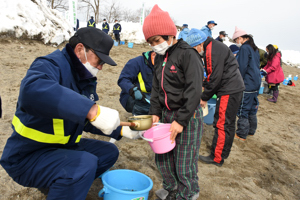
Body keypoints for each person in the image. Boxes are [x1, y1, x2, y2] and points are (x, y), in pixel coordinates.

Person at [0, 27, 140, 200]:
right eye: (99, 60)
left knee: (108, 152)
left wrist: (119, 130)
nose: (101, 67)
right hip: (27, 156)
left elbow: (83, 117)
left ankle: (61, 185)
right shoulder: (50, 64)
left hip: (61, 147)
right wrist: (90, 109)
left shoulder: (83, 77)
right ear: (80, 49)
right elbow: (32, 90)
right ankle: (65, 184)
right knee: (84, 165)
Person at [143, 5, 203, 200]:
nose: (154, 45)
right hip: (166, 115)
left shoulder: (188, 54)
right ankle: (171, 187)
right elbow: (156, 89)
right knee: (163, 156)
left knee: (184, 161)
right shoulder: (159, 58)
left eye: (157, 40)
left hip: (187, 115)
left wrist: (181, 120)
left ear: (170, 35)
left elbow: (194, 91)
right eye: (151, 42)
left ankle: (188, 194)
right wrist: (155, 112)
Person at [186, 29, 245, 167]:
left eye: (195, 49)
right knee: (228, 123)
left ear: (199, 44)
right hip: (234, 87)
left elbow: (215, 77)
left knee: (222, 123)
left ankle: (217, 157)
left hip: (228, 89)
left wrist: (204, 96)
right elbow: (213, 75)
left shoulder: (211, 51)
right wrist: (203, 85)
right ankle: (223, 154)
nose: (196, 52)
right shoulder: (214, 46)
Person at [232, 26, 261, 141]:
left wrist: (237, 82)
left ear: (240, 38)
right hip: (256, 82)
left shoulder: (244, 48)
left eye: (236, 40)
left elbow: (241, 67)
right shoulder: (254, 47)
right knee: (252, 108)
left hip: (248, 84)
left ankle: (241, 133)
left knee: (243, 108)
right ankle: (251, 131)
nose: (236, 43)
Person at [118, 51, 156, 115]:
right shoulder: (136, 62)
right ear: (153, 54)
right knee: (146, 107)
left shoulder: (166, 64)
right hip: (133, 96)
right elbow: (123, 79)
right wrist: (133, 90)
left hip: (153, 97)